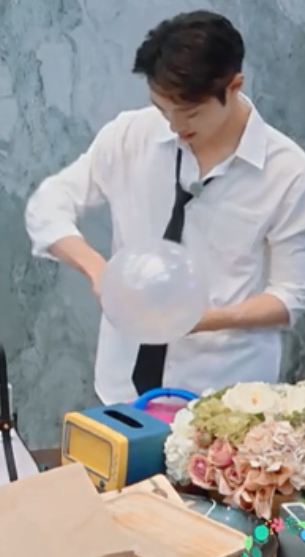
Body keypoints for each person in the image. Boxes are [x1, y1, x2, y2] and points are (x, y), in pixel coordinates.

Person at [24, 11, 305, 406]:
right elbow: (47, 206)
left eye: (189, 113)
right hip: (121, 387)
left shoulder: (288, 172)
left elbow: (290, 297)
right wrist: (97, 270)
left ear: (234, 86)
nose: (173, 125)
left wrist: (199, 321)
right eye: (161, 108)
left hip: (225, 395)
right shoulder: (130, 134)